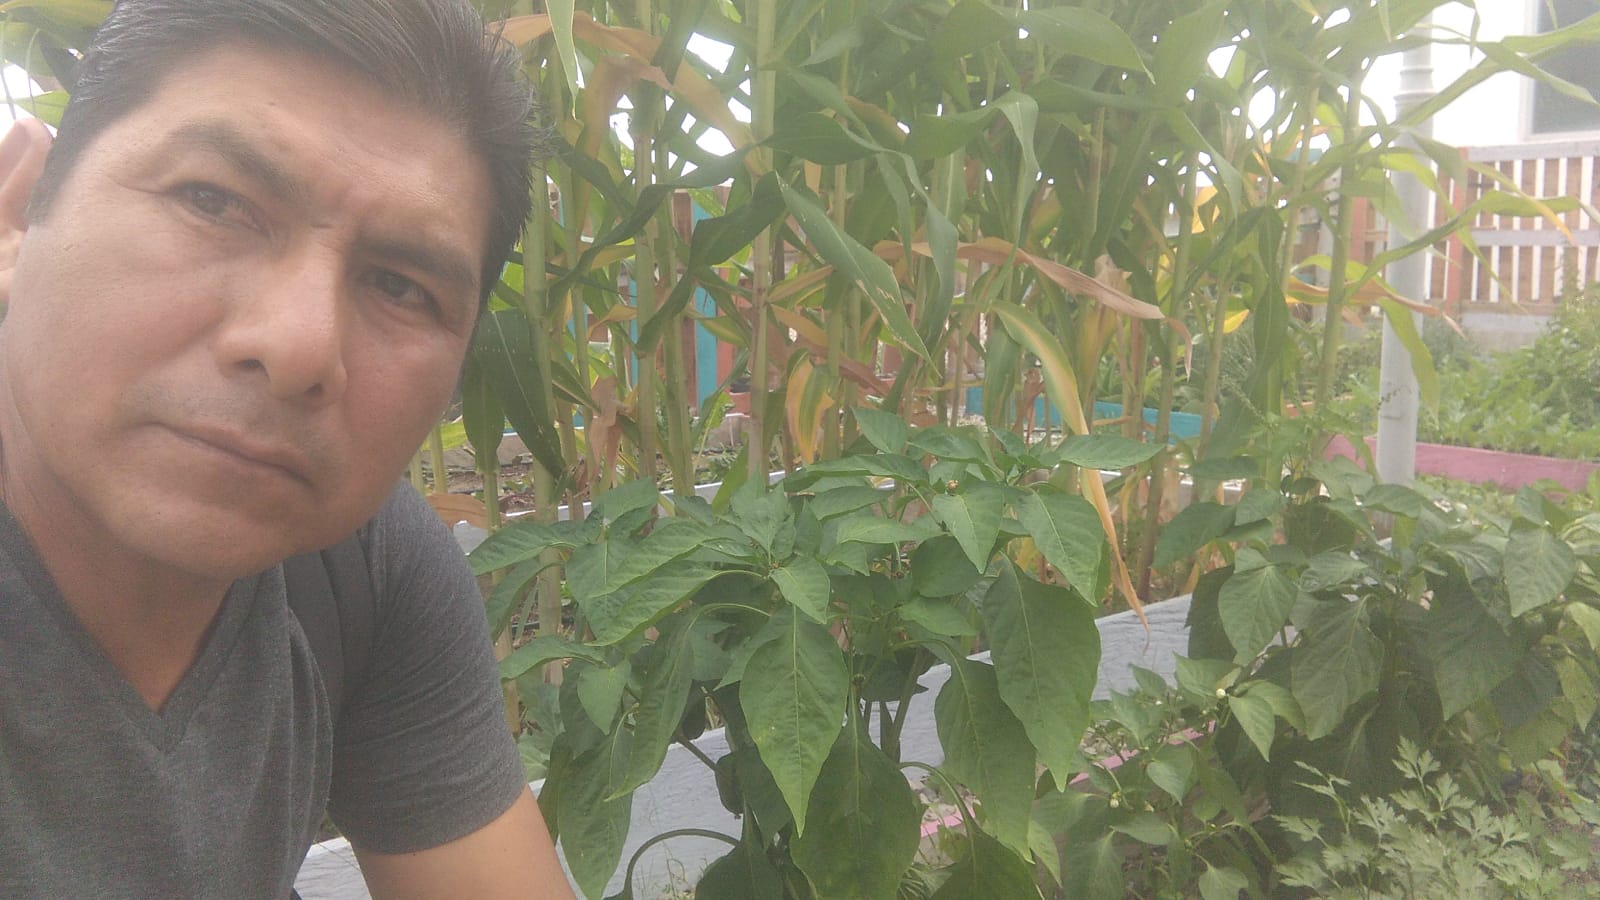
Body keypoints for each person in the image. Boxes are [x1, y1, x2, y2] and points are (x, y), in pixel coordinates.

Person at [0, 0, 574, 896]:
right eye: (213, 201)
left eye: (399, 286)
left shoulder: (362, 569)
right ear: (16, 210)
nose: (301, 344)